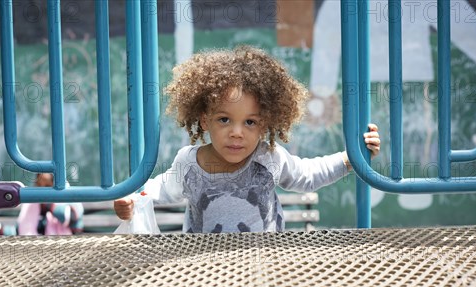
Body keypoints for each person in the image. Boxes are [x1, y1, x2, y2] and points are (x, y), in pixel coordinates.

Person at [114, 46, 380, 233]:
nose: (237, 132)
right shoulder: (189, 163)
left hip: (263, 267)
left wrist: (349, 158)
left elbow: (307, 175)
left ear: (264, 125)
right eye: (224, 120)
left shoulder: (267, 158)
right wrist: (132, 199)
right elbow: (159, 188)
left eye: (250, 122)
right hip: (204, 272)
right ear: (205, 120)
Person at [17, 173, 84, 235]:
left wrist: (49, 205)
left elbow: (71, 218)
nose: (42, 190)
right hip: (40, 243)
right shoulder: (31, 203)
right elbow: (26, 229)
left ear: (56, 184)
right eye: (39, 185)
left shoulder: (69, 196)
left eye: (47, 185)